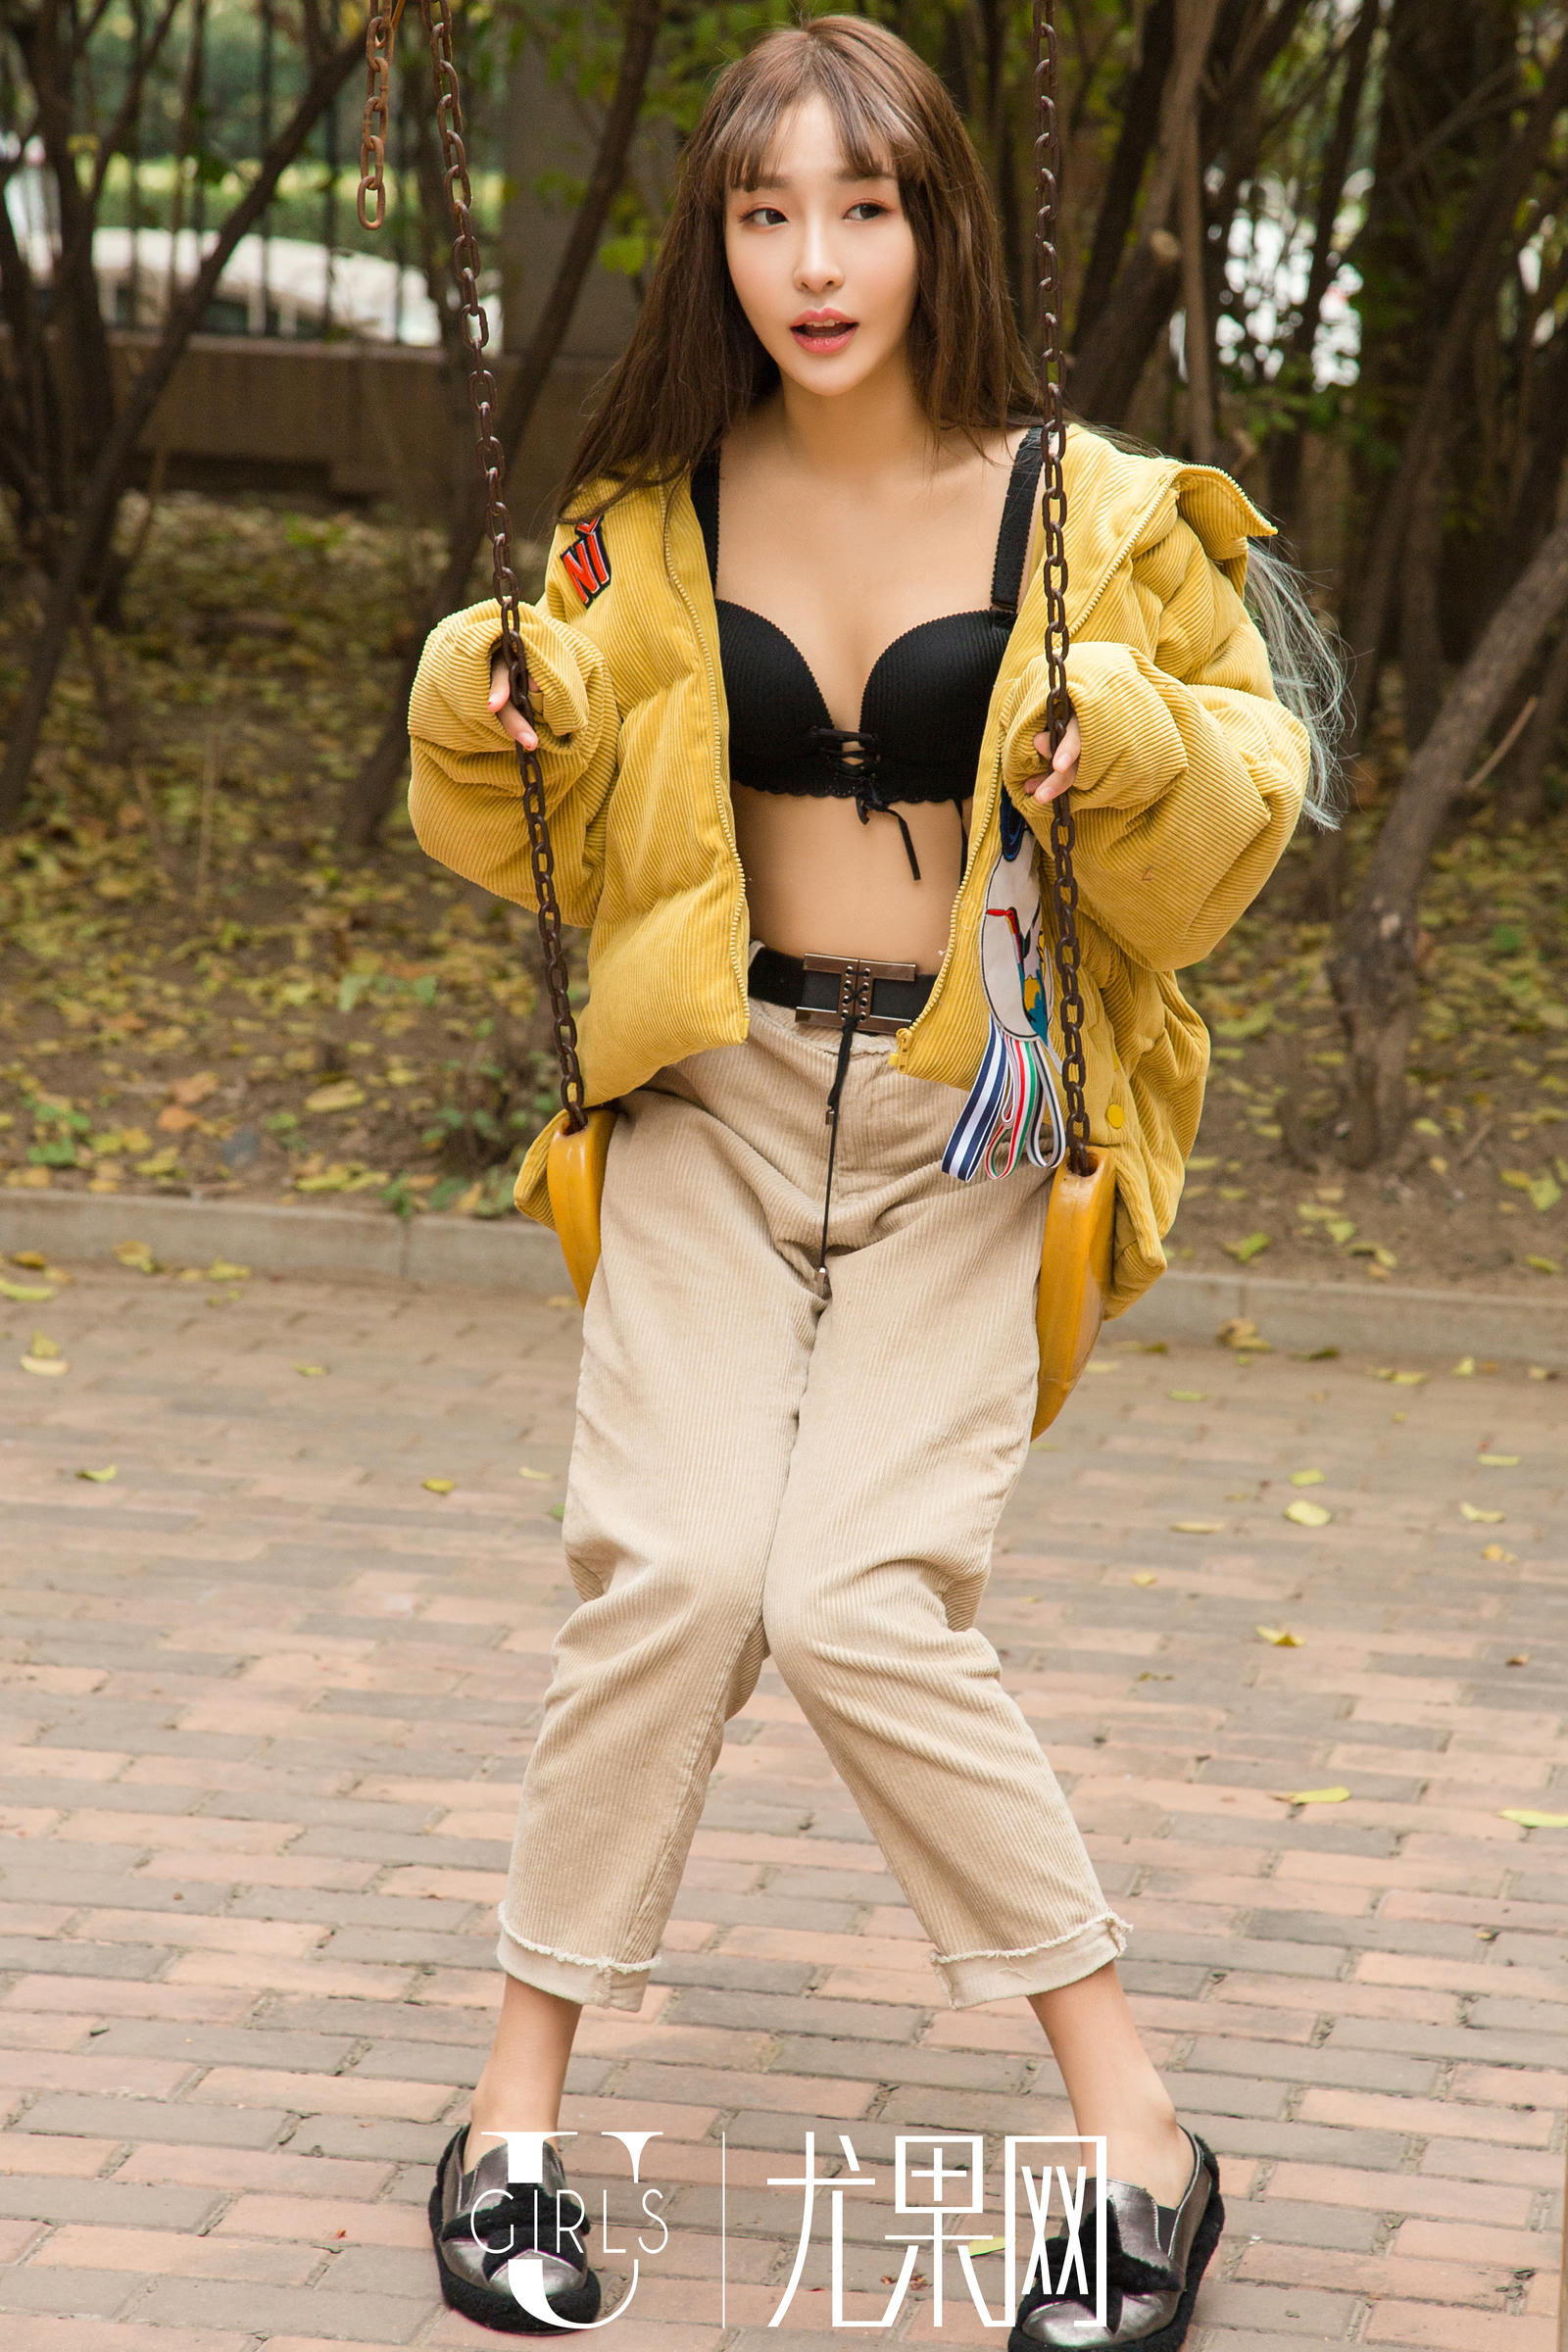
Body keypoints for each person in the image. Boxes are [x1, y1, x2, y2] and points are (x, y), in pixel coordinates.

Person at [406, 18, 1339, 2345]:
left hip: (970, 1126)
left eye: (861, 208)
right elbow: (518, 798)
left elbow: (1240, 806)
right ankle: (506, 2127)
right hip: (712, 1100)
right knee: (672, 1572)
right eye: (764, 213)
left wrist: (1119, 733)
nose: (814, 263)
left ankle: (1136, 2143)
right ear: (716, 242)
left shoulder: (1088, 509)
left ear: (937, 223)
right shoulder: (650, 514)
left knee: (850, 1601)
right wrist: (483, 691)